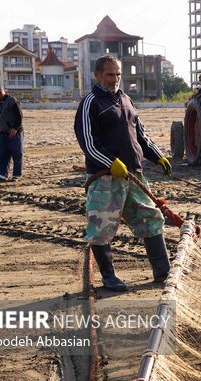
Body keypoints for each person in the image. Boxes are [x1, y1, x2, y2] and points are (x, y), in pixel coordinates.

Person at [74, 55, 173, 292]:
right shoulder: (90, 103)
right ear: (97, 75)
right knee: (101, 227)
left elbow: (140, 133)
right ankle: (109, 278)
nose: (115, 79)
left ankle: (163, 272)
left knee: (151, 219)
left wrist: (156, 155)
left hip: (134, 175)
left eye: (118, 74)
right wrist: (110, 163)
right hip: (105, 177)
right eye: (110, 74)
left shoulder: (126, 100)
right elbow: (88, 143)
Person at [0, 85, 24, 182]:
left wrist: (14, 128)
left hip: (15, 133)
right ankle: (2, 175)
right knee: (2, 154)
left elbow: (19, 116)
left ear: (1, 91)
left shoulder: (12, 101)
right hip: (3, 133)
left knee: (17, 154)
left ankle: (16, 175)